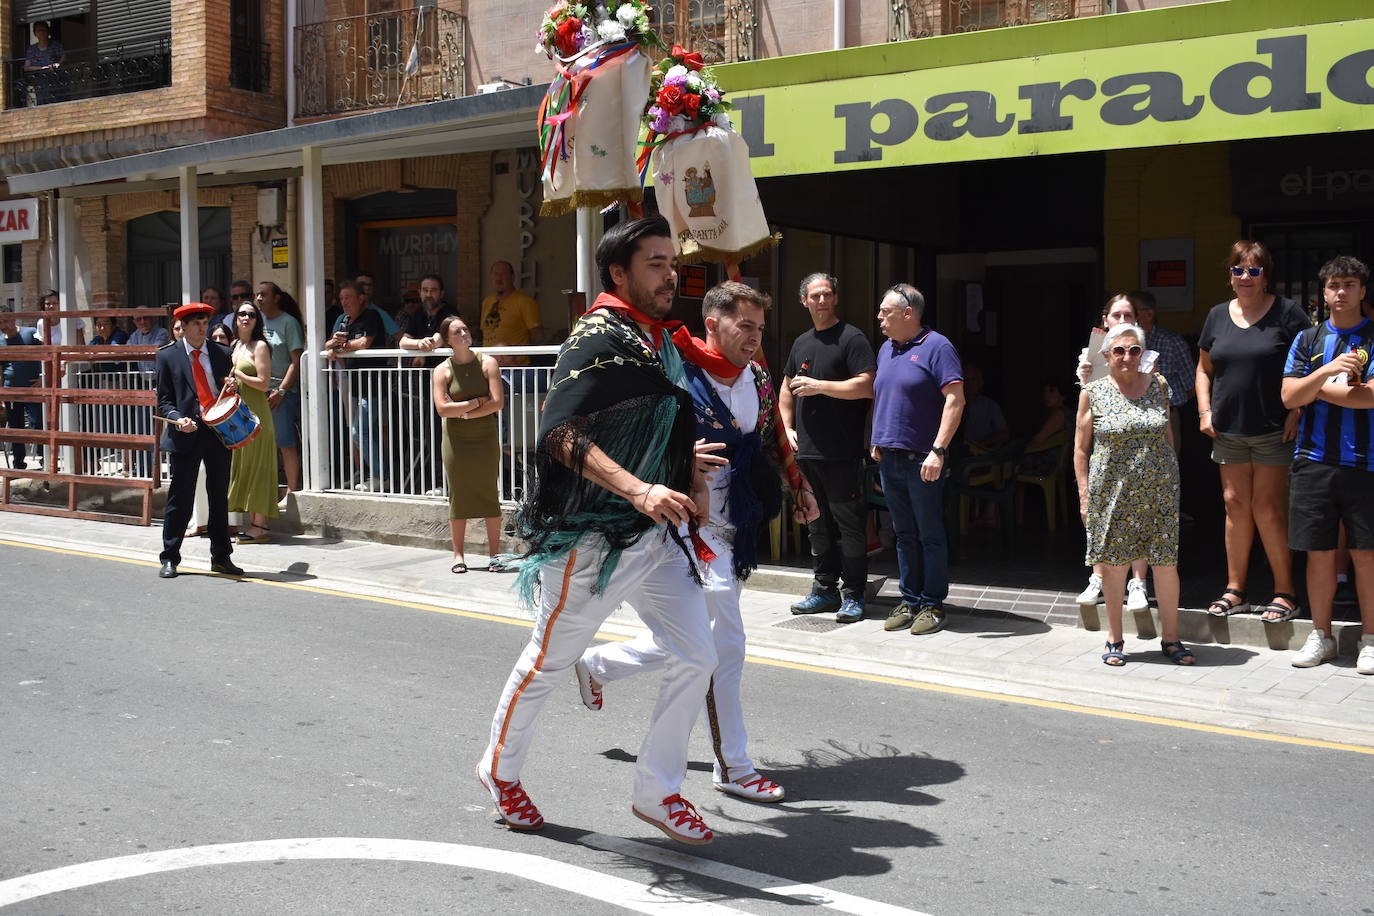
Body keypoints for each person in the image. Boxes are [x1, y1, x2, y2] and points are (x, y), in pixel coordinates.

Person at [477, 216, 717, 845]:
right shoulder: (595, 337)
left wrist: (688, 475)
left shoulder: (656, 339)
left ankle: (658, 791)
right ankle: (499, 772)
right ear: (619, 273)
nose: (672, 274)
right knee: (548, 660)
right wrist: (639, 488)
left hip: (657, 536)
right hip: (593, 538)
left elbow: (658, 420)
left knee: (698, 653)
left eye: (672, 263)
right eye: (656, 264)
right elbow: (556, 434)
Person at [574, 281, 818, 804]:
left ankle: (600, 664)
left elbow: (774, 434)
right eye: (744, 326)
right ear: (713, 323)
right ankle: (734, 765)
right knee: (723, 646)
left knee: (695, 644)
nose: (755, 338)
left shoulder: (755, 373)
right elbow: (626, 436)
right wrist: (681, 459)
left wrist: (800, 487)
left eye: (759, 327)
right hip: (681, 524)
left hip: (735, 524)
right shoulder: (673, 369)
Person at [1197, 240, 1310, 622]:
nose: (1245, 277)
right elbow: (1204, 370)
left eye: (1253, 270)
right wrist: (1204, 409)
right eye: (1238, 270)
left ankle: (1286, 592)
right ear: (1229, 275)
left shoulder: (1288, 313)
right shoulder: (1216, 316)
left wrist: (1298, 409)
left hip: (1273, 428)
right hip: (1228, 428)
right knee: (1234, 504)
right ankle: (1235, 589)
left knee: (1268, 507)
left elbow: (1309, 365)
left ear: (1266, 275)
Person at [1074, 323, 1193, 668]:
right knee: (1113, 567)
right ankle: (1115, 637)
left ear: (1143, 354)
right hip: (1111, 493)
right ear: (1107, 355)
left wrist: (1173, 481)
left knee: (1166, 565)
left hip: (1159, 493)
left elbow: (1168, 436)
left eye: (1134, 350)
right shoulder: (1092, 393)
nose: (1127, 357)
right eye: (1120, 350)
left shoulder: (1159, 385)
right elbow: (1081, 451)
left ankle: (1171, 638)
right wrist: (1084, 495)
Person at [1280, 256, 1374, 674]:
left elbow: (1368, 397)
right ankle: (1322, 635)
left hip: (1365, 462)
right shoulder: (1308, 339)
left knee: (1366, 554)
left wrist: (1313, 387)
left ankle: (1370, 639)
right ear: (1324, 292)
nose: (1341, 292)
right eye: (1334, 284)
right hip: (1312, 461)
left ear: (1362, 291)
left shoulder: (1373, 338)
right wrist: (1331, 371)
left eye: (1350, 284)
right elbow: (1286, 398)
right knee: (1318, 554)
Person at [780, 272, 877, 622]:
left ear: (835, 298)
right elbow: (786, 388)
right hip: (807, 452)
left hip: (842, 452)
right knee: (815, 524)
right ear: (804, 301)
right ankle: (824, 590)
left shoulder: (852, 339)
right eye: (814, 296)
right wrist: (787, 427)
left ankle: (853, 594)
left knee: (849, 526)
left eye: (827, 294)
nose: (821, 301)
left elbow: (867, 386)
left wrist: (822, 386)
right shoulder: (801, 342)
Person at [870, 285, 965, 635]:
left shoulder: (938, 347)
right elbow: (885, 395)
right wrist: (877, 438)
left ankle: (932, 603)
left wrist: (938, 450)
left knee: (929, 534)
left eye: (886, 312)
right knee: (903, 533)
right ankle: (909, 598)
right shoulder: (886, 349)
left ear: (908, 313)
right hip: (890, 456)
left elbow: (955, 400)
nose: (879, 317)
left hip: (922, 458)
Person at [1075, 294, 1153, 612]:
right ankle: (1100, 577)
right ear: (1105, 320)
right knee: (1099, 511)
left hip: (1138, 443)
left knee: (1139, 513)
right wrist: (1084, 379)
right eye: (1115, 316)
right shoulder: (1091, 352)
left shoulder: (1145, 354)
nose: (1121, 321)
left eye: (1127, 315)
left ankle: (1138, 582)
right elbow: (1086, 406)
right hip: (1105, 441)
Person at [154, 302, 243, 580]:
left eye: (205, 323)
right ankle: (170, 557)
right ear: (184, 326)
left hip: (216, 431)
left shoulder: (222, 353)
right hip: (186, 431)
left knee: (218, 495)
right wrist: (177, 418)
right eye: (197, 324)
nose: (202, 329)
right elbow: (164, 401)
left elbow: (228, 393)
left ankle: (221, 557)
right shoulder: (168, 356)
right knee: (180, 496)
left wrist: (232, 388)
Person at [432, 315, 504, 573]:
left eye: (465, 328)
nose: (464, 333)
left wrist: (461, 411)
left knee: (488, 493)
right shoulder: (441, 370)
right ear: (448, 340)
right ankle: (458, 556)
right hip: (455, 440)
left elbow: (497, 403)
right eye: (457, 331)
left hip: (484, 437)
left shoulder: (488, 363)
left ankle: (495, 555)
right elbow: (442, 409)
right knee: (458, 496)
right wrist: (474, 404)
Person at [225, 300, 279, 544]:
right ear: (235, 319)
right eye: (241, 314)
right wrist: (233, 383)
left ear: (257, 320)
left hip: (257, 414)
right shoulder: (235, 344)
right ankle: (252, 522)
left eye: (251, 314)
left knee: (259, 467)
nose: (246, 318)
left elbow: (264, 383)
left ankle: (260, 525)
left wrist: (239, 375)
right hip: (240, 414)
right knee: (244, 465)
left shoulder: (260, 346)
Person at [325, 280, 386, 490]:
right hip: (354, 384)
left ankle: (381, 476)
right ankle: (370, 474)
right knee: (359, 432)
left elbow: (363, 343)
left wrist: (340, 346)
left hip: (375, 385)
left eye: (348, 298)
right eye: (341, 299)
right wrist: (334, 345)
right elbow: (329, 345)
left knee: (360, 431)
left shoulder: (372, 316)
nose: (344, 303)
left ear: (361, 298)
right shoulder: (343, 320)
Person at [256, 281, 305, 495]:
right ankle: (268, 491)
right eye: (257, 294)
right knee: (264, 445)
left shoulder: (289, 322)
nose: (259, 298)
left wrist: (282, 391)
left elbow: (296, 361)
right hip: (259, 391)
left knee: (285, 443)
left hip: (282, 394)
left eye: (264, 294)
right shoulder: (257, 322)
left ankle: (291, 492)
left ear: (276, 298)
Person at [1132, 290, 1195, 452]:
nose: (1126, 318)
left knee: (1167, 472)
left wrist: (1165, 403)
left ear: (1148, 314)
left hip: (1165, 416)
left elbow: (1192, 386)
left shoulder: (1172, 343)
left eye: (1131, 312)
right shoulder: (1118, 346)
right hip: (1128, 418)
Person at [1, 310, 44, 471]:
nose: (3, 326)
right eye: (0, 323)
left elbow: (46, 354)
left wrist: (42, 378)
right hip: (10, 391)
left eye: (5, 321)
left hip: (32, 390)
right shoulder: (0, 341)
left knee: (37, 423)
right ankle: (18, 464)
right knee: (15, 428)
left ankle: (45, 460)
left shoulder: (30, 333)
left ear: (13, 318)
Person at [480, 260, 544, 366]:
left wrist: (518, 358)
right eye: (495, 274)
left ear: (513, 277)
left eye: (503, 274)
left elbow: (538, 336)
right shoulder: (487, 302)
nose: (498, 278)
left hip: (514, 367)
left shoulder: (524, 302)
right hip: (488, 366)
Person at [399, 274, 458, 366]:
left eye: (433, 290)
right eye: (425, 290)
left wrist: (422, 353)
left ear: (441, 293)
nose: (428, 294)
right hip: (423, 374)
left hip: (447, 370)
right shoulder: (418, 313)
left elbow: (439, 339)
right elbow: (403, 342)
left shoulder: (450, 313)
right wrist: (419, 343)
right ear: (420, 293)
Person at [959, 365, 1007, 448]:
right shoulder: (949, 406)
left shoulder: (990, 406)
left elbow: (1004, 434)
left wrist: (982, 444)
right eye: (966, 379)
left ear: (980, 383)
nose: (970, 383)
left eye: (973, 379)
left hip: (983, 453)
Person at [24, 22, 65, 104]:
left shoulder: (55, 45)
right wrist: (42, 68)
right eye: (38, 30)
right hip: (40, 83)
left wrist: (58, 64)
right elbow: (27, 67)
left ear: (48, 31)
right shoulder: (32, 49)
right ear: (35, 33)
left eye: (43, 30)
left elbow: (64, 56)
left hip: (56, 80)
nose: (41, 32)